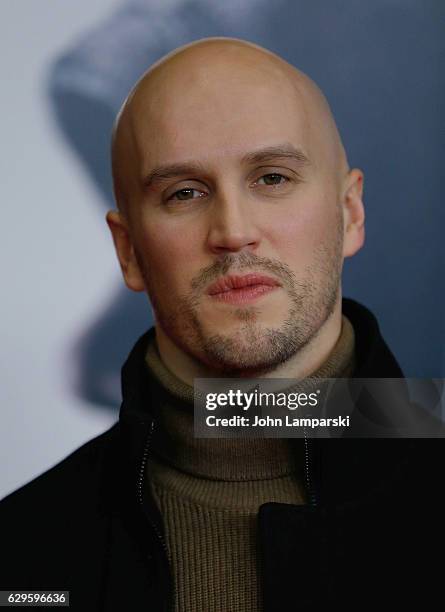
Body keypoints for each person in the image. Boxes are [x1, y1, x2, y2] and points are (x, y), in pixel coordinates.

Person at [0, 37, 443, 611]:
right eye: (184, 192)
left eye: (273, 178)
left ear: (350, 211)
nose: (233, 231)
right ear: (129, 249)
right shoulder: (21, 555)